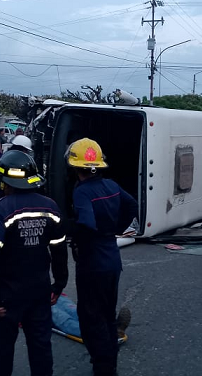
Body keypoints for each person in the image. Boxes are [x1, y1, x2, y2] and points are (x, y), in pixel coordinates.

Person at [0, 150, 68, 376]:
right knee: (41, 349)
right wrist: (59, 285)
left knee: (0, 351)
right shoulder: (51, 207)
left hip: (6, 296)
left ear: (4, 182)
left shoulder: (1, 209)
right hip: (39, 292)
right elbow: (59, 250)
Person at [65, 138, 138, 376]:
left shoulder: (81, 192)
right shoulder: (111, 185)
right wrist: (115, 229)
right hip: (112, 260)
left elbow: (86, 223)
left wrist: (69, 233)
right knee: (106, 315)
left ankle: (103, 368)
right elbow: (132, 205)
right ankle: (110, 363)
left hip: (92, 263)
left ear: (74, 167)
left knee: (90, 319)